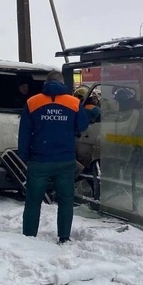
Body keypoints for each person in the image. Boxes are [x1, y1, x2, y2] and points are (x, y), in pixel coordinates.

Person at [18, 71, 89, 244]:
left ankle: (29, 236)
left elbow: (25, 133)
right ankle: (64, 236)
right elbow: (82, 125)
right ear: (62, 83)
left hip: (39, 160)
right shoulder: (73, 102)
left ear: (46, 83)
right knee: (66, 199)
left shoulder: (32, 102)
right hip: (64, 160)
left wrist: (25, 156)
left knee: (33, 200)